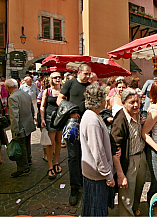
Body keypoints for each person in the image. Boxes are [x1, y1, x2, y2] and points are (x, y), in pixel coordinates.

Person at [57, 63, 91, 206]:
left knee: (86, 155)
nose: (88, 76)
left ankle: (84, 182)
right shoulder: (70, 83)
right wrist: (70, 112)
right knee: (73, 157)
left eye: (89, 74)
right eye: (86, 73)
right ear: (79, 72)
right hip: (73, 126)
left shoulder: (90, 86)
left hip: (87, 124)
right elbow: (60, 99)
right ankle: (74, 188)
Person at [110, 88, 148, 216]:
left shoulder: (138, 113)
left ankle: (135, 208)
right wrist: (120, 174)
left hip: (141, 156)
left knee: (139, 187)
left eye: (138, 101)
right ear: (124, 103)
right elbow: (114, 148)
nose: (136, 105)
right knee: (127, 193)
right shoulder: (120, 119)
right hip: (129, 159)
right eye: (132, 102)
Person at [80, 82, 115, 216]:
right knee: (96, 210)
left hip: (94, 173)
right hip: (96, 175)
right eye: (104, 97)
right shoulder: (92, 120)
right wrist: (108, 175)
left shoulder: (93, 115)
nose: (106, 100)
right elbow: (98, 152)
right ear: (99, 100)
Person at [5, 79, 36, 178]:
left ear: (7, 88)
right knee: (26, 143)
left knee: (21, 146)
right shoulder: (25, 94)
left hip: (21, 126)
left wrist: (14, 132)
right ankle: (28, 159)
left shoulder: (13, 97)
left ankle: (23, 167)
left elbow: (14, 116)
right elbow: (32, 109)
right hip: (27, 124)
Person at [40, 72, 63, 179]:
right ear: (51, 79)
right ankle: (50, 165)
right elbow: (43, 106)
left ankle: (56, 162)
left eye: (59, 77)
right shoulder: (47, 91)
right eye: (55, 77)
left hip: (61, 119)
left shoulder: (64, 91)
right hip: (50, 118)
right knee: (51, 143)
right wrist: (42, 119)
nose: (57, 79)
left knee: (59, 141)